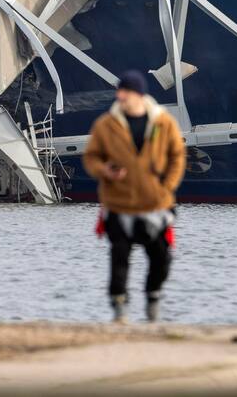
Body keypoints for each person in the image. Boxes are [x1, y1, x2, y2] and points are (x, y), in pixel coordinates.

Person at [83, 70, 186, 323]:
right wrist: (104, 171)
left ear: (139, 94)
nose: (120, 96)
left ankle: (153, 295)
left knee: (161, 257)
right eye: (119, 92)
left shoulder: (163, 122)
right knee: (119, 256)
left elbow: (177, 155)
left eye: (126, 92)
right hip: (119, 203)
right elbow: (91, 157)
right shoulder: (106, 125)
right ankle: (119, 307)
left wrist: (167, 186)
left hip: (155, 203)